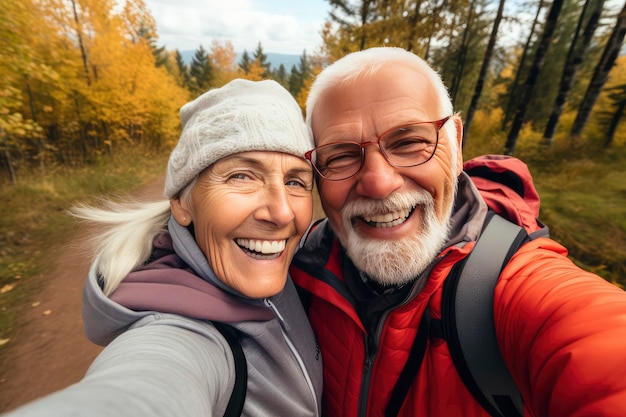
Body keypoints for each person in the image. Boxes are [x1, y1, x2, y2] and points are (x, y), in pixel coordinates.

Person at [290, 47, 626, 417]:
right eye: (340, 155)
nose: (379, 183)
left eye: (408, 142)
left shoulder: (515, 290)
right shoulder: (298, 269)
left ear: (456, 142)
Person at [3, 79, 322, 417]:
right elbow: (150, 383)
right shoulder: (180, 336)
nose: (282, 212)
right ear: (181, 203)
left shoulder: (305, 259)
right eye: (241, 176)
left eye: (295, 181)